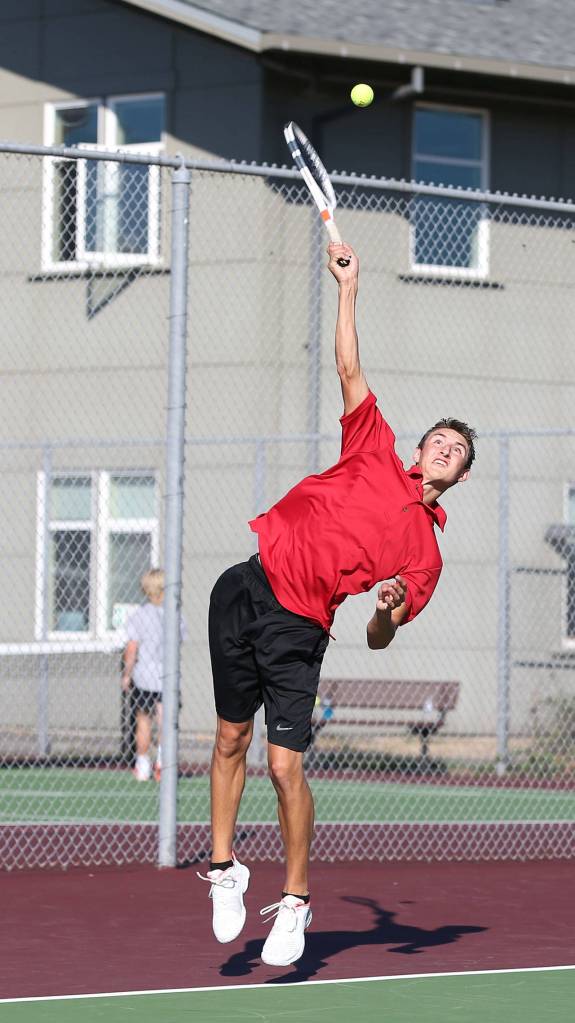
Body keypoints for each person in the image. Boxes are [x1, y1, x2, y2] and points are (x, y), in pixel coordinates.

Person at [199, 242, 476, 967]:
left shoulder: (425, 551)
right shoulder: (372, 446)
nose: (444, 446)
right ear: (418, 447)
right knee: (228, 739)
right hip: (245, 583)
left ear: (461, 475)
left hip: (300, 624)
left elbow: (383, 635)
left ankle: (294, 898)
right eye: (439, 437)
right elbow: (348, 366)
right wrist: (346, 287)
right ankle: (225, 869)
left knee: (284, 766)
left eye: (457, 448)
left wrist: (384, 609)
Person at [122, 568, 167, 783]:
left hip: (145, 677)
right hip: (166, 677)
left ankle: (143, 765)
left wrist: (127, 674)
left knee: (144, 721)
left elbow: (132, 648)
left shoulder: (139, 615)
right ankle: (162, 763)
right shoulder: (173, 615)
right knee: (165, 720)